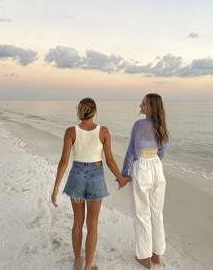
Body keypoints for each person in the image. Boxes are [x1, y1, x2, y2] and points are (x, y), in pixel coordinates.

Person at [51, 98, 130, 270]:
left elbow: (64, 161)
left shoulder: (71, 131)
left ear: (79, 111)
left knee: (78, 222)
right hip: (95, 177)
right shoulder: (103, 131)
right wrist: (121, 178)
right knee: (92, 223)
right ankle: (88, 266)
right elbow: (109, 160)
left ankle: (78, 260)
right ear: (94, 112)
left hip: (77, 177)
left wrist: (56, 187)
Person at [121, 93, 169, 269]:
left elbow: (131, 151)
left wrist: (124, 173)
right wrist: (154, 163)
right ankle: (157, 253)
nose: (139, 106)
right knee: (157, 212)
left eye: (143, 104)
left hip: (142, 166)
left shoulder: (139, 125)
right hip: (157, 167)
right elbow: (162, 151)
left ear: (150, 107)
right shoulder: (162, 124)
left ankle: (144, 257)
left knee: (142, 213)